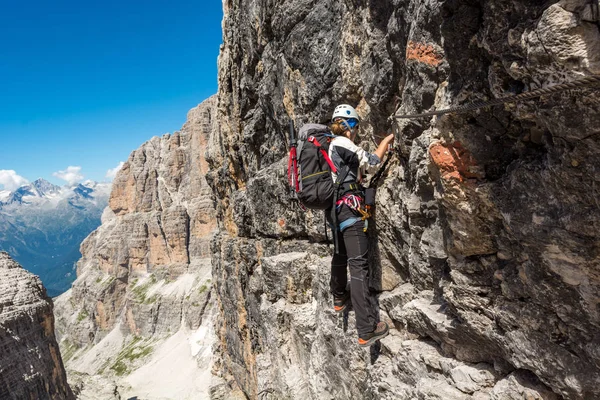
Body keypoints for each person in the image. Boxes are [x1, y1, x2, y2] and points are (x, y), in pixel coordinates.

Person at [327, 104, 395, 347]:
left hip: (337, 211)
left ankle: (338, 298)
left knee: (341, 256)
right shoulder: (342, 143)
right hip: (351, 210)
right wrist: (387, 140)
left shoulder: (330, 148)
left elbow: (362, 169)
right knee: (358, 268)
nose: (357, 131)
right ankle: (367, 329)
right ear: (350, 125)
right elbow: (372, 161)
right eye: (356, 126)